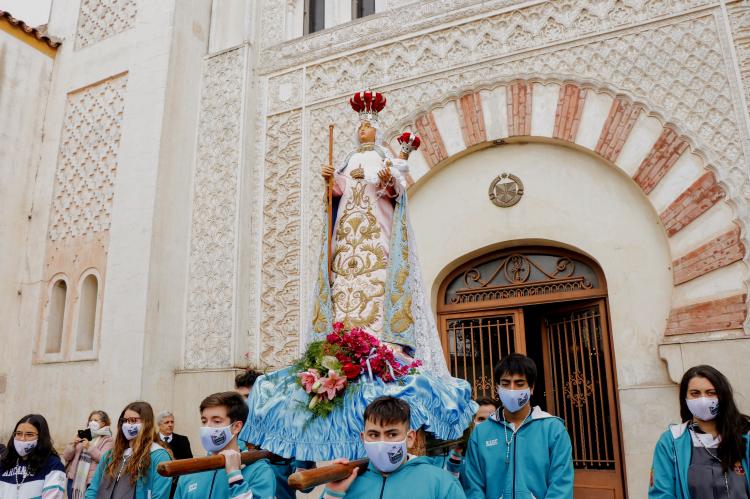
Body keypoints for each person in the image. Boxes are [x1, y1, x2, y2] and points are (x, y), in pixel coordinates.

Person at [241, 91, 476, 463]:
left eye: (370, 124)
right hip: (348, 244)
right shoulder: (348, 160)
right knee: (346, 293)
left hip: (377, 240)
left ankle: (383, 352)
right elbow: (337, 195)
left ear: (376, 127)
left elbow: (399, 190)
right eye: (362, 124)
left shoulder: (384, 157)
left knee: (377, 289)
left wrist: (387, 179)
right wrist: (329, 184)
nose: (365, 128)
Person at [462, 353, 574, 499]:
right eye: (506, 383)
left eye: (519, 384)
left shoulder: (553, 429)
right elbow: (473, 486)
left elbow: (561, 485)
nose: (512, 390)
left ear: (531, 388)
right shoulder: (480, 433)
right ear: (497, 388)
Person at [322, 396, 466, 498]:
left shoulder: (440, 482)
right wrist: (332, 495)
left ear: (410, 438)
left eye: (391, 434)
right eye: (374, 434)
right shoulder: (344, 482)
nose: (382, 442)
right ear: (363, 438)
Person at [649, 365, 750, 498]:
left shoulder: (745, 436)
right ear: (685, 399)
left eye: (711, 393)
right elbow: (662, 494)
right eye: (695, 393)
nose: (703, 400)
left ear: (722, 396)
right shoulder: (670, 443)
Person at [174, 391, 275, 499]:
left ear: (236, 427)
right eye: (204, 421)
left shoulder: (259, 472)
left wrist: (235, 475)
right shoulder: (191, 473)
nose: (207, 427)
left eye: (216, 421)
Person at [86, 401, 172, 499]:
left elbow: (160, 496)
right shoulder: (110, 455)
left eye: (133, 420)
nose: (127, 424)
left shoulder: (158, 455)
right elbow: (93, 490)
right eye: (125, 420)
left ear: (146, 423)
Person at [428, 398, 501, 476]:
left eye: (491, 420)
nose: (486, 424)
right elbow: (450, 481)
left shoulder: (505, 450)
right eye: (481, 419)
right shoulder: (457, 453)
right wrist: (456, 458)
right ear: (472, 422)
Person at [0, 414, 66, 498]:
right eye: (19, 433)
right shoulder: (6, 462)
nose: (22, 439)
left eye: (29, 434)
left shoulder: (53, 465)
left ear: (41, 437)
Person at [63, 410, 113, 498]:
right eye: (90, 420)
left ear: (104, 423)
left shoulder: (108, 439)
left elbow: (104, 459)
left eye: (96, 420)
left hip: (90, 481)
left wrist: (89, 447)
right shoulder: (82, 434)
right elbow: (66, 457)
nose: (92, 422)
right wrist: (73, 445)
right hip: (74, 480)